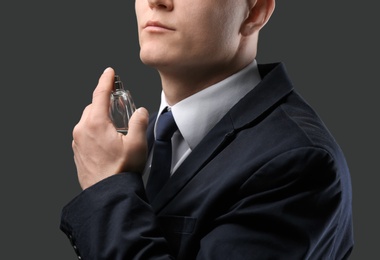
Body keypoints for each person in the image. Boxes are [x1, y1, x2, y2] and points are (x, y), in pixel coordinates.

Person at [60, 0, 354, 259]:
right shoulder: (142, 138)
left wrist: (107, 190)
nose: (156, 1)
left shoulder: (300, 162)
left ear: (256, 11)